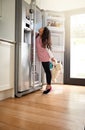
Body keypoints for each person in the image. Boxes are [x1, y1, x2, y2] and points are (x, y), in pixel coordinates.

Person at [36, 27, 55, 94]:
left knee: (47, 71)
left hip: (45, 57)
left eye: (42, 28)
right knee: (46, 70)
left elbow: (48, 49)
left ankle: (49, 86)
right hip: (41, 56)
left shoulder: (44, 39)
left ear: (43, 31)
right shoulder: (38, 35)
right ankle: (48, 86)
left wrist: (52, 57)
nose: (40, 28)